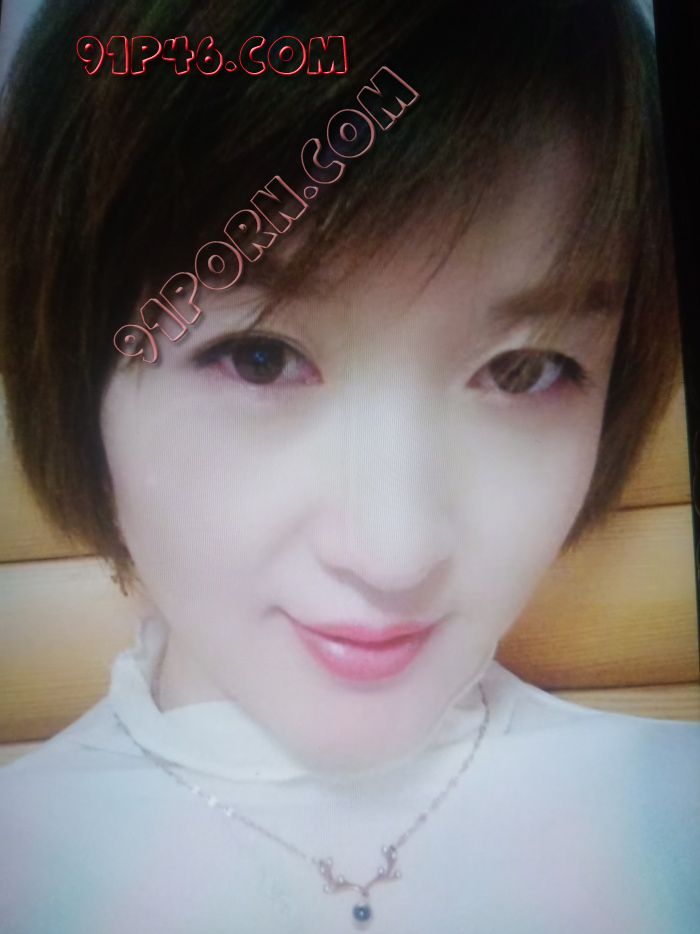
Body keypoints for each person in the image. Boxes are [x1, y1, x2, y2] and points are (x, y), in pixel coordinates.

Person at [0, 1, 697, 932]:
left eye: (524, 370)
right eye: (260, 358)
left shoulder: (675, 820)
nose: (393, 555)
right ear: (79, 385)